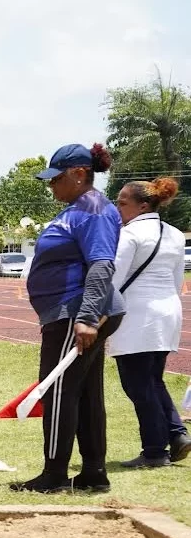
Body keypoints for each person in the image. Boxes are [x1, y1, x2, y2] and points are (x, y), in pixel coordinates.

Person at [11, 143, 125, 494]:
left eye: (56, 179)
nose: (51, 187)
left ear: (79, 174)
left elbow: (102, 263)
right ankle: (93, 473)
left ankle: (55, 474)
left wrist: (87, 317)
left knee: (58, 390)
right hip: (72, 311)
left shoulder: (92, 209)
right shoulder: (79, 208)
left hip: (76, 311)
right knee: (86, 394)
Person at [109, 177, 191, 467]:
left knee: (138, 385)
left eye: (122, 203)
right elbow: (178, 278)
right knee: (153, 380)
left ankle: (155, 451)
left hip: (137, 315)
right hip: (167, 310)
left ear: (142, 205)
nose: (117, 208)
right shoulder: (175, 234)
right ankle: (177, 434)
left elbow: (114, 278)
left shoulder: (129, 234)